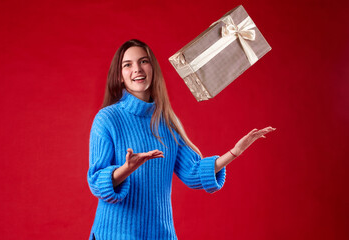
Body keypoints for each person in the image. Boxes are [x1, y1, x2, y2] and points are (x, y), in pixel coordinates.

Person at [87, 39, 275, 240]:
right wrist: (126, 169)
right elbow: (96, 180)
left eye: (143, 61)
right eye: (128, 65)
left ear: (153, 69)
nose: (137, 69)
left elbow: (193, 172)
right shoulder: (107, 119)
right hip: (114, 233)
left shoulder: (167, 121)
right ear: (120, 77)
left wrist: (234, 152)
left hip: (160, 234)